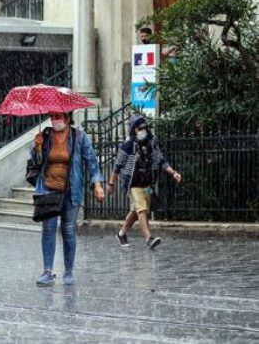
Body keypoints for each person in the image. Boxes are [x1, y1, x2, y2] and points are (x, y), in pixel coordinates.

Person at [32, 112, 105, 286]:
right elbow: (36, 162)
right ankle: (47, 271)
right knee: (48, 229)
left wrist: (97, 184)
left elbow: (92, 163)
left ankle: (69, 271)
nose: (55, 120)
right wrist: (38, 147)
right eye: (52, 116)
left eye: (58, 116)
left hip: (71, 190)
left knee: (68, 230)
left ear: (67, 117)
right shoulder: (46, 136)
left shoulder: (79, 136)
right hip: (48, 190)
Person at [107, 116, 182, 249]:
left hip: (147, 183)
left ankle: (121, 233)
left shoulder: (151, 143)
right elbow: (117, 166)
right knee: (142, 210)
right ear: (133, 130)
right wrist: (111, 184)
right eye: (139, 128)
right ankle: (149, 238)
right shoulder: (127, 146)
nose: (143, 130)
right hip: (133, 184)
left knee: (136, 212)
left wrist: (173, 172)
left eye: (144, 128)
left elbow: (160, 160)